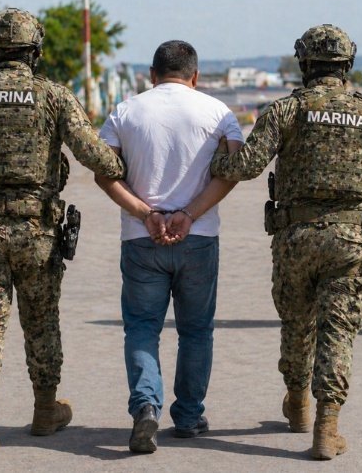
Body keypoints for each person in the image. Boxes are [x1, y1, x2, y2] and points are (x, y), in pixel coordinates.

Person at [0, 8, 125, 455]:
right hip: (37, 230)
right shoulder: (52, 95)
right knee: (41, 321)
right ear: (35, 50)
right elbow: (94, 154)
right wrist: (122, 167)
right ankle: (45, 409)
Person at [209, 25, 362, 460]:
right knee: (337, 330)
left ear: (304, 63)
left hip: (295, 237)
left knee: (297, 323)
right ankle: (326, 426)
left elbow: (245, 165)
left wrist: (213, 158)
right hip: (350, 239)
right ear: (347, 65)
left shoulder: (286, 110)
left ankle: (297, 403)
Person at [94, 40, 243, 454]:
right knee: (196, 330)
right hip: (198, 237)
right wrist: (190, 213)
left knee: (142, 328)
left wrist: (146, 213)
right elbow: (233, 170)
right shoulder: (219, 113)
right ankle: (190, 416)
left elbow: (105, 175)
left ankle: (145, 407)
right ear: (194, 76)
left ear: (152, 75)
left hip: (142, 239)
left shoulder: (126, 110)